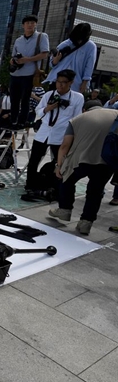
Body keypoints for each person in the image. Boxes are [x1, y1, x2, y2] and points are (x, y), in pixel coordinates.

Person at [48, 102, 118, 235]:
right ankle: (86, 223)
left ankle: (64, 210)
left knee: (66, 179)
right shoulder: (116, 114)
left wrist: (59, 166)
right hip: (107, 161)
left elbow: (65, 145)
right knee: (95, 191)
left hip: (81, 159)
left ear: (85, 109)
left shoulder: (78, 119)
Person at [27, 69, 84, 190]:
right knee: (34, 160)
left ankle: (57, 186)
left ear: (71, 83)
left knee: (60, 162)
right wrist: (47, 108)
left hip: (61, 135)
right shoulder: (49, 95)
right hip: (43, 133)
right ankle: (30, 184)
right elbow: (38, 110)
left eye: (64, 82)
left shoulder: (77, 98)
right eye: (58, 82)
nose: (60, 85)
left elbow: (77, 118)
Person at [8, 15, 50, 128]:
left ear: (36, 24)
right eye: (27, 23)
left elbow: (45, 54)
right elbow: (12, 56)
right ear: (23, 25)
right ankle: (13, 120)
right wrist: (13, 61)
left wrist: (28, 59)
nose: (30, 25)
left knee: (25, 98)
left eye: (32, 22)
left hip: (30, 73)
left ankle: (22, 122)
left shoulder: (41, 36)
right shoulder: (18, 40)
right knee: (14, 99)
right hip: (16, 73)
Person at [44, 23, 96, 94]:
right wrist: (55, 60)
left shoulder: (90, 46)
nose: (79, 41)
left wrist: (85, 82)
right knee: (52, 100)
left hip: (75, 82)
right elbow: (52, 63)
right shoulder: (66, 43)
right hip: (57, 79)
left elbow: (89, 66)